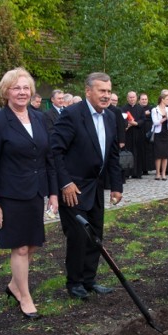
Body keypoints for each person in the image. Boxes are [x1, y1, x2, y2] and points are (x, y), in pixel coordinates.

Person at [0, 67, 58, 319]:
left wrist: (53, 193)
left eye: (26, 88)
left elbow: (48, 157)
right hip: (10, 195)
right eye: (17, 88)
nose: (22, 92)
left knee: (34, 243)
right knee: (20, 248)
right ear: (6, 92)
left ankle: (15, 284)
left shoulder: (38, 118)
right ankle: (24, 296)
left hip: (35, 192)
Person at [50, 72, 123, 300]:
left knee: (96, 235)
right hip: (74, 188)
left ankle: (89, 279)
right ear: (88, 91)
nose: (106, 95)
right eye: (101, 91)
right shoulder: (72, 115)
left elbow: (112, 155)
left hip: (96, 186)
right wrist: (65, 183)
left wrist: (116, 186)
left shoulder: (110, 117)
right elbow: (55, 151)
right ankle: (75, 283)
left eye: (109, 91)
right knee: (78, 236)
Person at [151, 89, 168, 181]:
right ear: (162, 99)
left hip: (166, 133)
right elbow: (156, 122)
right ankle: (157, 173)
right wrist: (166, 117)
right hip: (158, 133)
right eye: (167, 99)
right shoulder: (155, 110)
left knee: (165, 154)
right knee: (158, 154)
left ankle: (164, 173)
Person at [121, 91, 146, 178]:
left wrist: (135, 123)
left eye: (133, 97)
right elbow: (122, 119)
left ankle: (137, 173)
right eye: (130, 97)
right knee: (128, 153)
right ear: (127, 98)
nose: (132, 99)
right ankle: (127, 173)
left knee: (138, 153)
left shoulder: (140, 108)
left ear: (136, 98)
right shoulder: (123, 108)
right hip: (127, 134)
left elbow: (143, 120)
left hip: (138, 134)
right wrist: (128, 124)